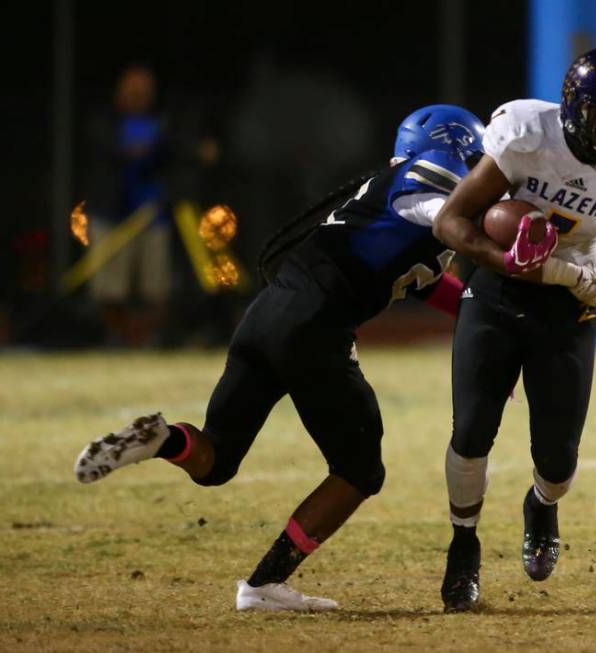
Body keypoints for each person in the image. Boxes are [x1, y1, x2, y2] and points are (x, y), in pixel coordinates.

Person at [73, 105, 503, 613]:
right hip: (316, 323)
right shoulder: (425, 182)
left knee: (215, 462)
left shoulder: (392, 199)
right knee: (361, 471)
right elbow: (437, 211)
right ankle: (264, 583)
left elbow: (430, 285)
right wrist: (489, 235)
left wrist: (482, 333)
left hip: (266, 314)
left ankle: (163, 438)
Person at [431, 48, 596, 612]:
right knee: (472, 430)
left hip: (570, 301)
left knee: (558, 458)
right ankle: (463, 547)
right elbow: (452, 221)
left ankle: (542, 506)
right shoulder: (527, 133)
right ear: (575, 110)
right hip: (498, 290)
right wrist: (509, 262)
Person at [84, 65, 173, 347]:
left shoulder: (164, 122)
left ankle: (147, 340)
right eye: (132, 90)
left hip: (153, 215)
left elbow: (177, 155)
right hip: (112, 214)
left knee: (156, 287)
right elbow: (102, 154)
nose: (137, 96)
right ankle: (118, 339)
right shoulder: (104, 122)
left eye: (143, 91)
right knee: (109, 288)